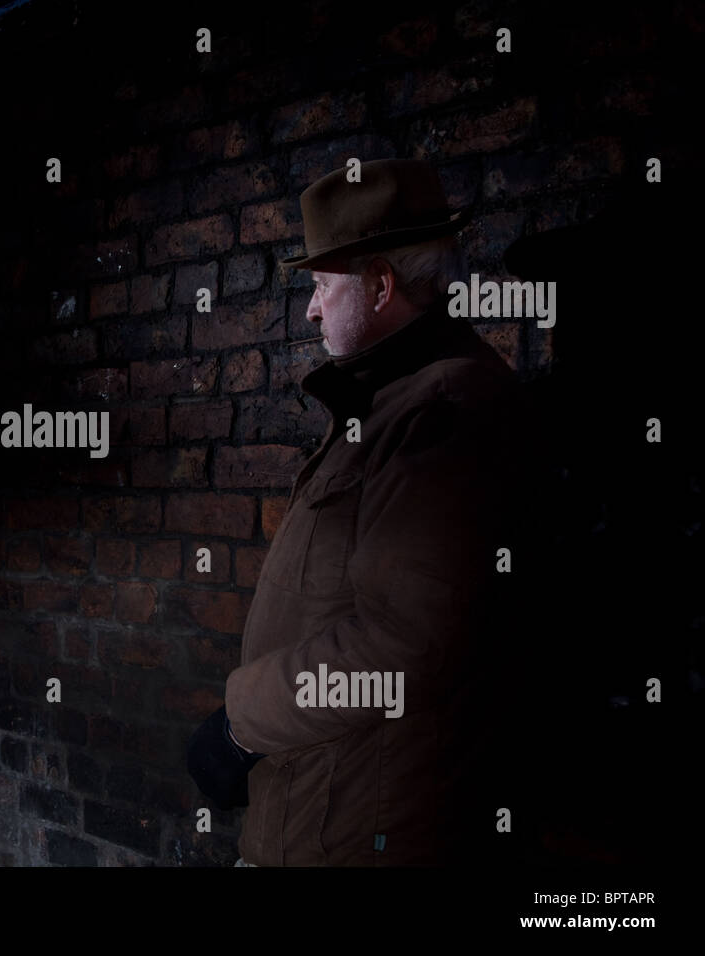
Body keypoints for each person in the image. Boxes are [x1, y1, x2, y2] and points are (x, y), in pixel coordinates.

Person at [188, 158, 533, 865]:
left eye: (321, 286)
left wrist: (240, 725)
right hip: (322, 804)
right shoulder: (396, 399)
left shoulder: (445, 411)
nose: (311, 308)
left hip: (356, 830)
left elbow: (406, 640)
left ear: (379, 286)